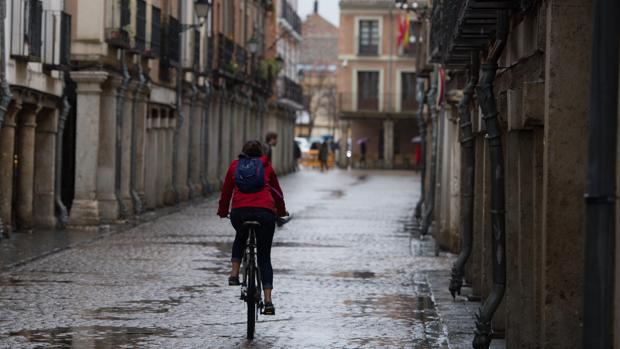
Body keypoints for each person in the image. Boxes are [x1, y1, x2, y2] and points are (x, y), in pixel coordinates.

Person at [217, 140, 287, 316]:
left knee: (240, 237)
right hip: (265, 214)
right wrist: (281, 210)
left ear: (243, 152)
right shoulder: (266, 167)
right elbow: (277, 192)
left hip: (240, 213)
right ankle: (269, 301)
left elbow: (226, 191)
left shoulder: (235, 166)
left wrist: (223, 210)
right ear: (261, 152)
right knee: (264, 256)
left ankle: (234, 274)